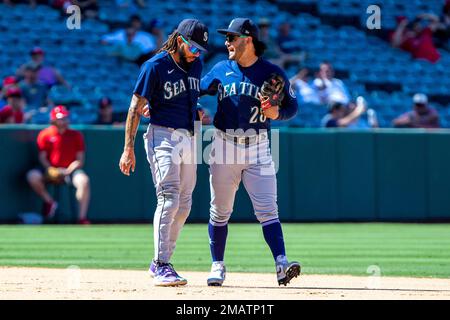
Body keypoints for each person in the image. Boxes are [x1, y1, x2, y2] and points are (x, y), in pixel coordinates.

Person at [200, 18, 300, 286]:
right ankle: (217, 265)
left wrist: (276, 112)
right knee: (220, 211)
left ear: (247, 40)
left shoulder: (272, 72)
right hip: (223, 144)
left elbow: (292, 106)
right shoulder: (221, 68)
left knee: (268, 210)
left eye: (231, 38)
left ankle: (281, 263)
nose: (226, 43)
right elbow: (196, 91)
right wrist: (196, 107)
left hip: (258, 146)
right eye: (227, 38)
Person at [118, 19, 208, 287]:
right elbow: (135, 108)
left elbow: (187, 98)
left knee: (185, 204)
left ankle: (162, 259)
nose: (197, 53)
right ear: (179, 40)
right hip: (162, 135)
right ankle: (160, 264)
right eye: (193, 47)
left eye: (201, 49)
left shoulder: (197, 65)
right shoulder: (154, 66)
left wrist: (198, 110)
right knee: (168, 198)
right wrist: (127, 149)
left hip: (189, 136)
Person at [26, 105, 91, 224]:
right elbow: (42, 157)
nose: (63, 121)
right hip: (50, 170)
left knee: (84, 181)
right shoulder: (45, 134)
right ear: (53, 120)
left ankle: (82, 218)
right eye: (60, 118)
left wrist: (67, 171)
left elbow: (80, 160)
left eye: (65, 118)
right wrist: (51, 169)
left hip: (70, 171)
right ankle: (50, 202)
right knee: (32, 176)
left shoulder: (76, 135)